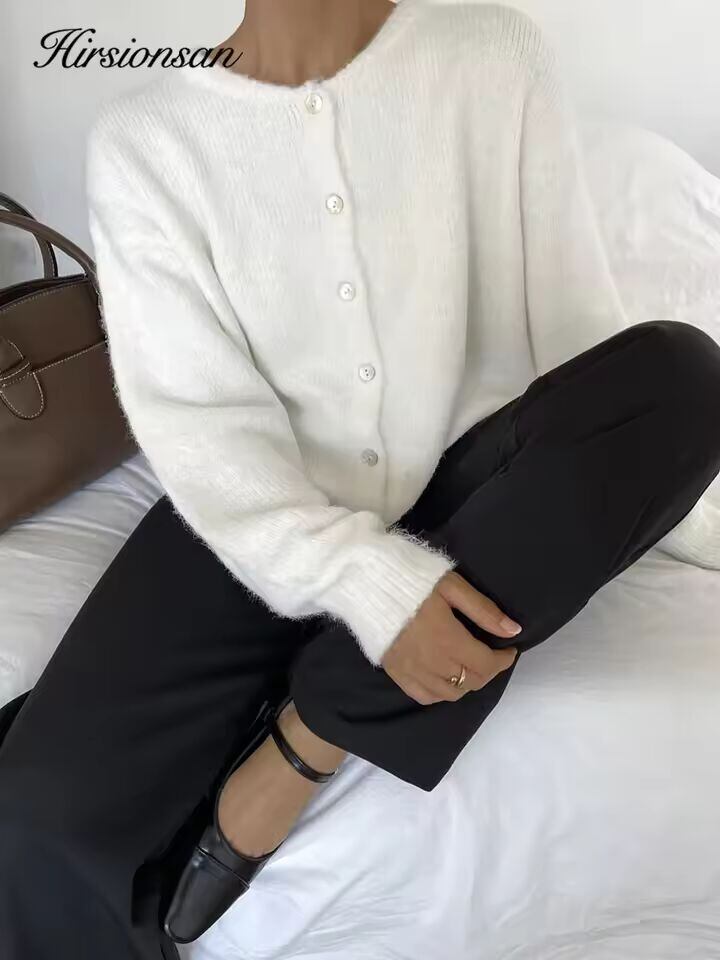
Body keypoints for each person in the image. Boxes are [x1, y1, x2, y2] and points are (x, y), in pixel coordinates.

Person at [1, 0, 719, 957]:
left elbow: (579, 346)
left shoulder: (491, 54)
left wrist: (666, 505)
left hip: (475, 501)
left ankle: (307, 738)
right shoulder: (147, 140)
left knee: (684, 376)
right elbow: (197, 420)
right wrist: (363, 581)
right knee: (34, 822)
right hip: (255, 514)